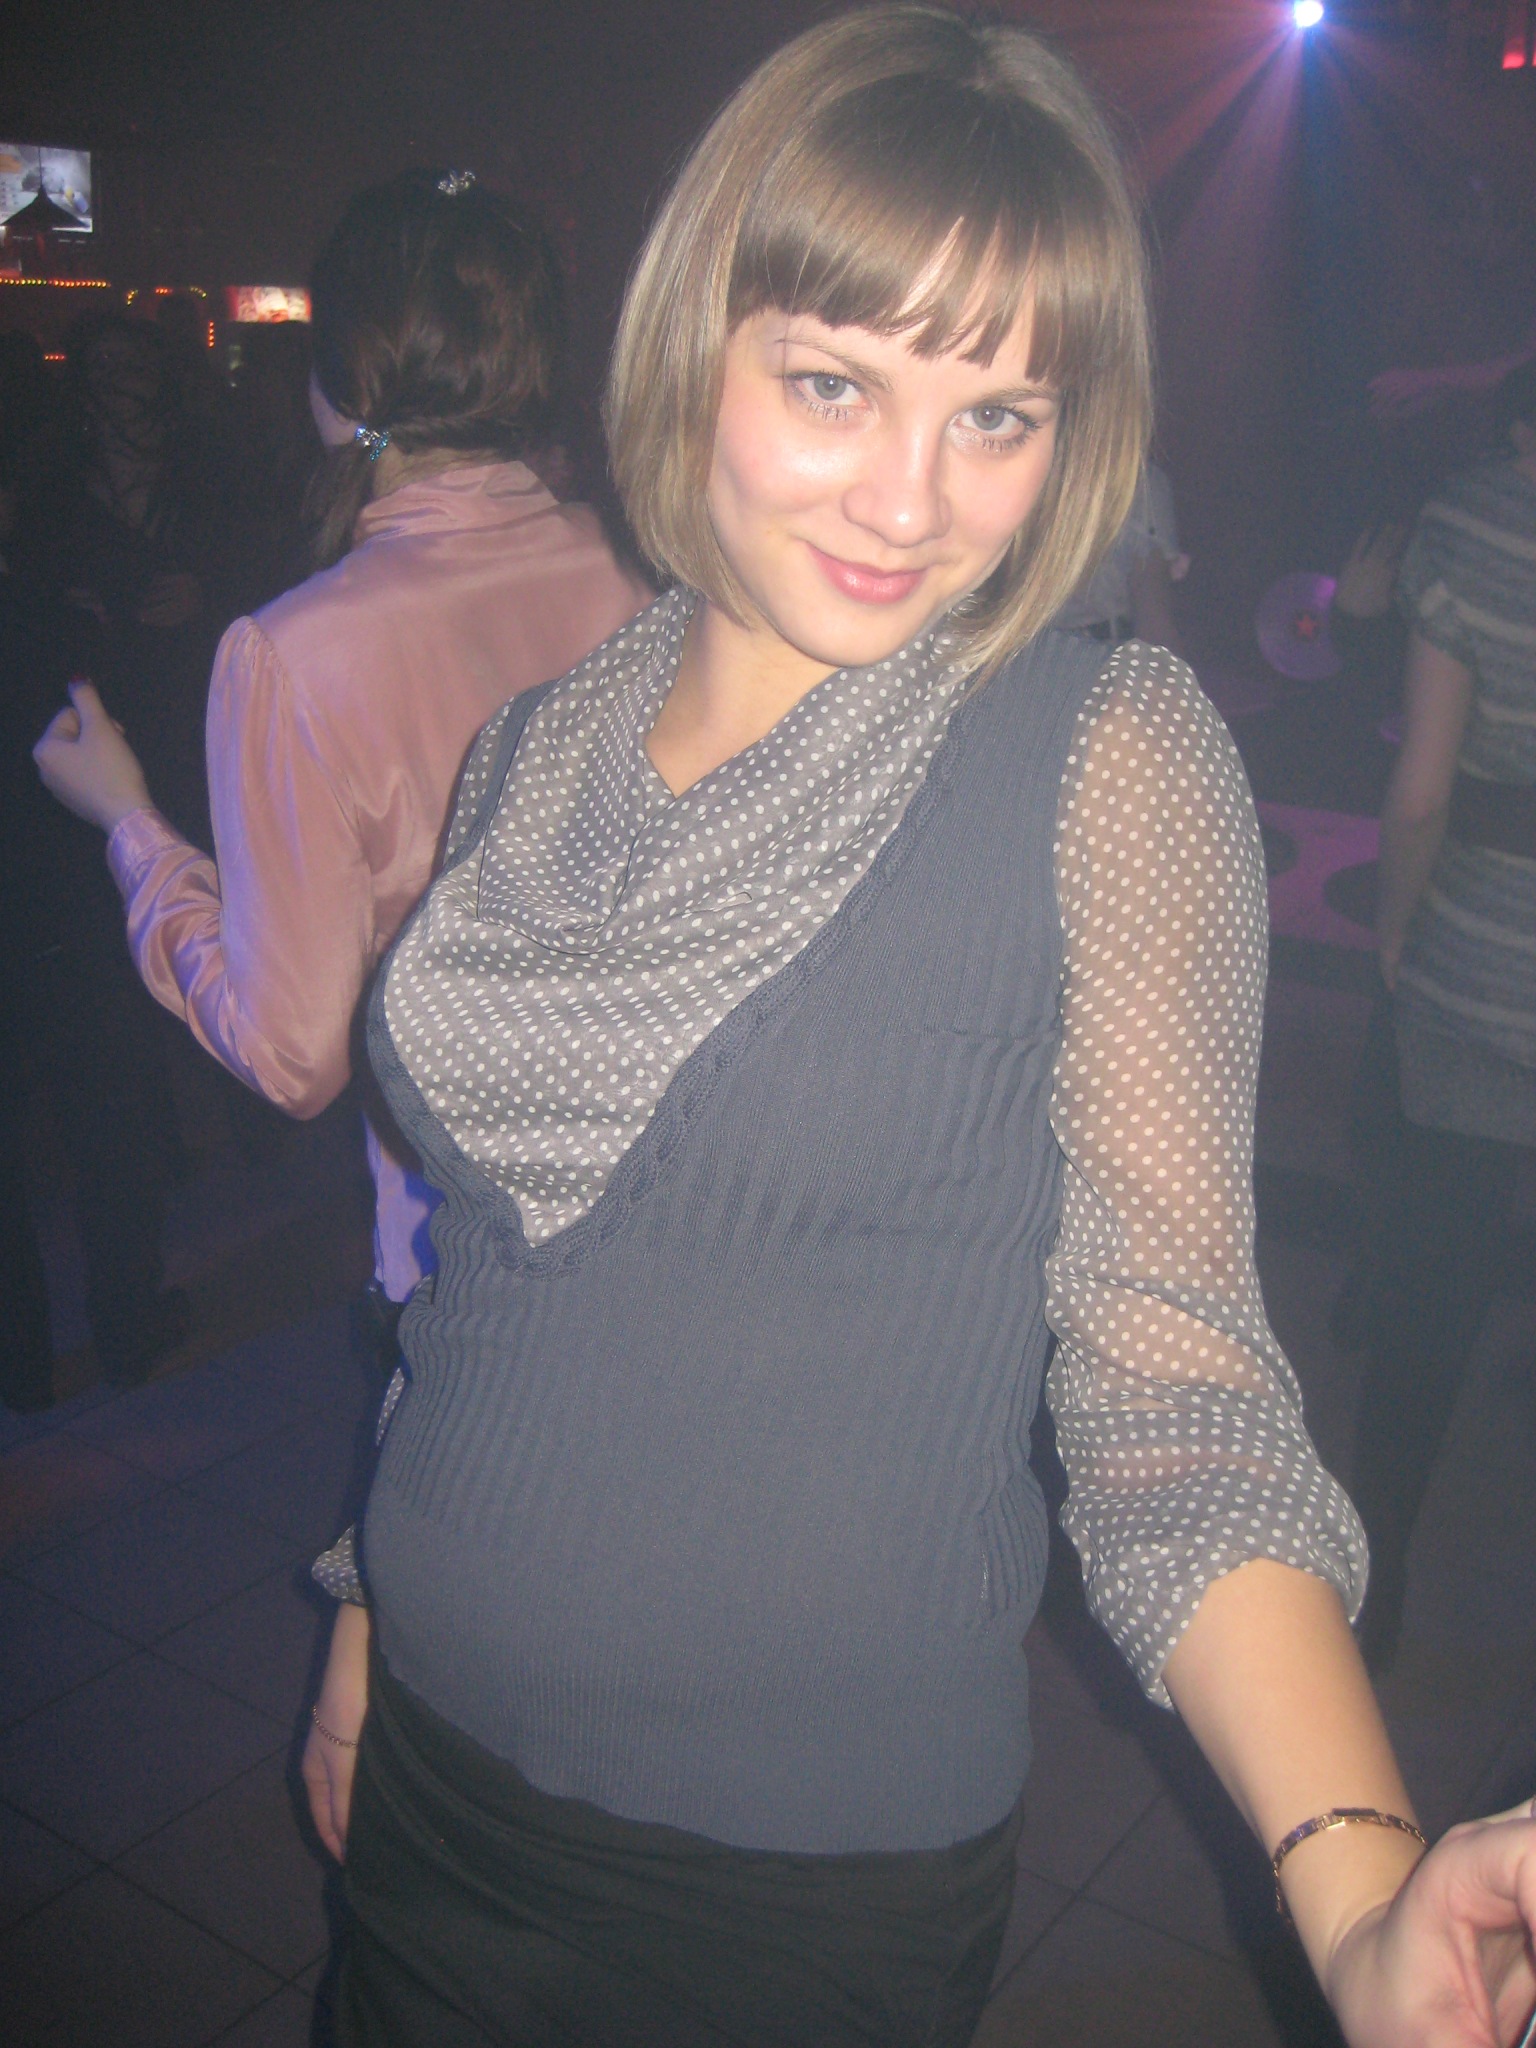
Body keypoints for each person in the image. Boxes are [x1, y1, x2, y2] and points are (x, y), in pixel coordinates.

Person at [298, 15, 1526, 2045]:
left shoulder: (1100, 755)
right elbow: (477, 1265)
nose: (911, 496)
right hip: (428, 1768)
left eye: (999, 413)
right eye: (834, 382)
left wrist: (1362, 1886)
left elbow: (1176, 1391)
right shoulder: (538, 747)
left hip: (783, 1894)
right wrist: (369, 1594)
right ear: (698, 341)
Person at [34, 167, 651, 1324]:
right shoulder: (628, 564)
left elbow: (294, 1055)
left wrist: (128, 824)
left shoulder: (293, 654)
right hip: (668, 1175)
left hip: (469, 1248)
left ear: (339, 383)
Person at [1342, 358, 1536, 1667]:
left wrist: (1395, 927)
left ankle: (1384, 1576)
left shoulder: (1475, 520)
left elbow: (1421, 788)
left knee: (1429, 1305)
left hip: (1484, 972)